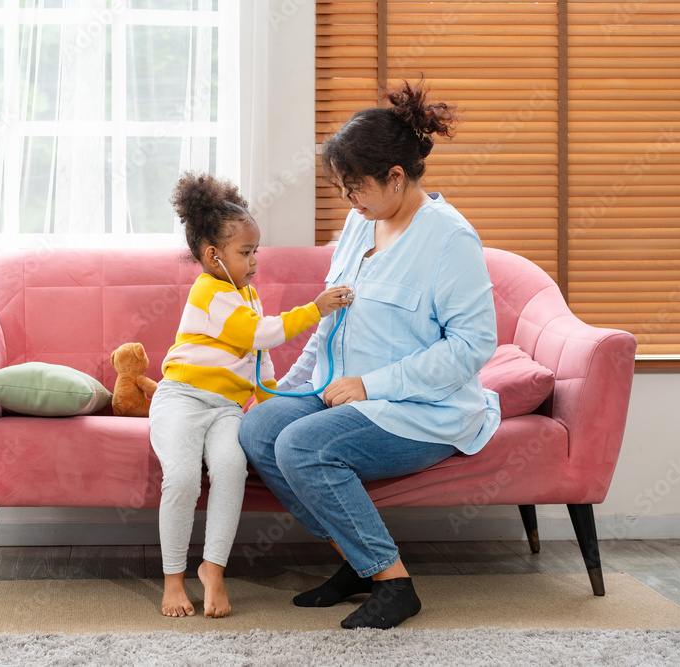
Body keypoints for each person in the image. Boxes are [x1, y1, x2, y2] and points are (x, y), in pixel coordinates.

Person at [239, 81, 501, 630]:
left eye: (354, 186)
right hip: (345, 394)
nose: (347, 199)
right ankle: (357, 563)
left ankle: (393, 581)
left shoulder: (451, 241)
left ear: (396, 177)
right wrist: (287, 386)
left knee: (302, 446)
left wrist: (370, 384)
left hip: (420, 409)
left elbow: (472, 347)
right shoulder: (361, 223)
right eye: (341, 187)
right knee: (261, 428)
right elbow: (332, 319)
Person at [150, 172, 353, 619]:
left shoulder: (245, 294)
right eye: (245, 252)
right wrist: (314, 309)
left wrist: (275, 401)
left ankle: (213, 569)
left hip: (225, 409)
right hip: (183, 398)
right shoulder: (211, 291)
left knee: (230, 470)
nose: (255, 260)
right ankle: (171, 579)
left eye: (255, 250)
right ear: (212, 255)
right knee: (182, 478)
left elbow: (259, 363)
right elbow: (261, 335)